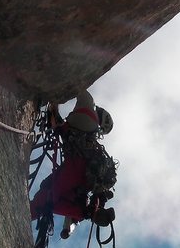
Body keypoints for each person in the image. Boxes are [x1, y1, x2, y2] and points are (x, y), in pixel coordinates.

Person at [30, 90, 116, 237]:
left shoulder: (86, 130)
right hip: (85, 170)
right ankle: (87, 214)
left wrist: (53, 105)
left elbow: (60, 127)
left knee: (49, 194)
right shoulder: (92, 143)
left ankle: (29, 213)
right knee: (51, 195)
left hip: (79, 160)